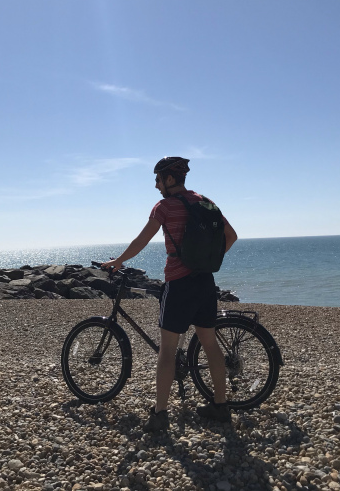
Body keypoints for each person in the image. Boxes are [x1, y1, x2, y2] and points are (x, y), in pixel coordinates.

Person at [101, 156, 238, 433]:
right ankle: (220, 406)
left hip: (178, 284)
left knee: (167, 351)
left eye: (158, 179)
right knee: (210, 345)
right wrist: (207, 261)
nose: (155, 185)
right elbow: (231, 235)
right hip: (204, 283)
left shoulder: (164, 206)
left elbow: (142, 239)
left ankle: (159, 414)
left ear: (170, 179)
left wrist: (118, 261)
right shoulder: (205, 201)